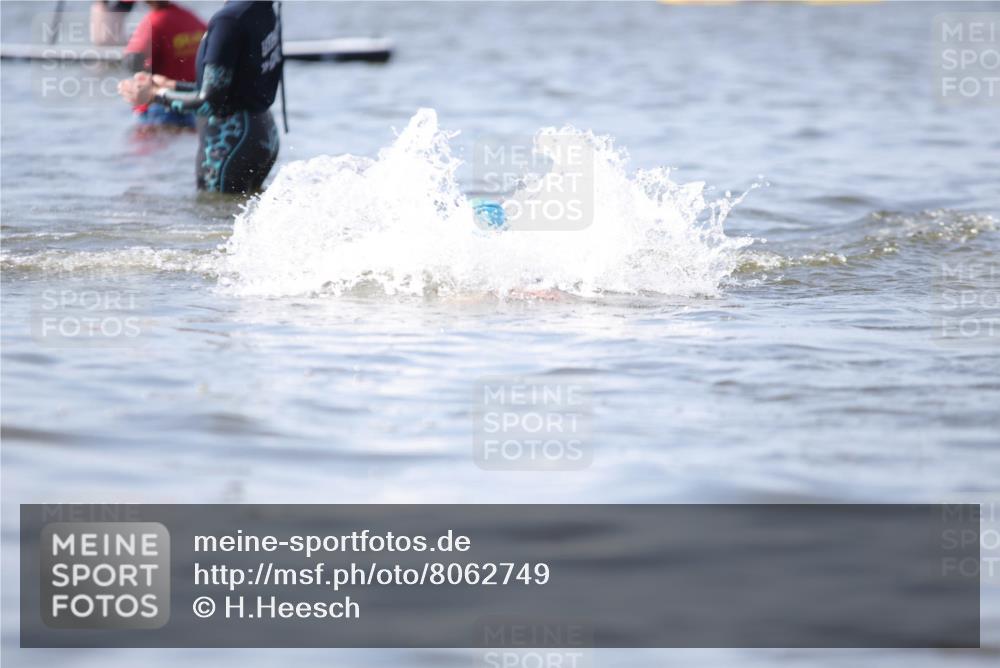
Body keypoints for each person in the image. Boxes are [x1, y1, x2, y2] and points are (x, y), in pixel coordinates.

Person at [118, 1, 281, 194]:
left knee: (214, 217)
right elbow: (230, 88)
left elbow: (209, 103)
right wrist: (171, 85)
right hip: (262, 131)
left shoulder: (227, 20)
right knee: (246, 215)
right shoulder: (259, 8)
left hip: (229, 141)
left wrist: (153, 95)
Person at [121, 1, 206, 128]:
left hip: (160, 104)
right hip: (191, 101)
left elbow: (132, 59)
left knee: (144, 144)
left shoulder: (154, 21)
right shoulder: (190, 17)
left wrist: (142, 77)